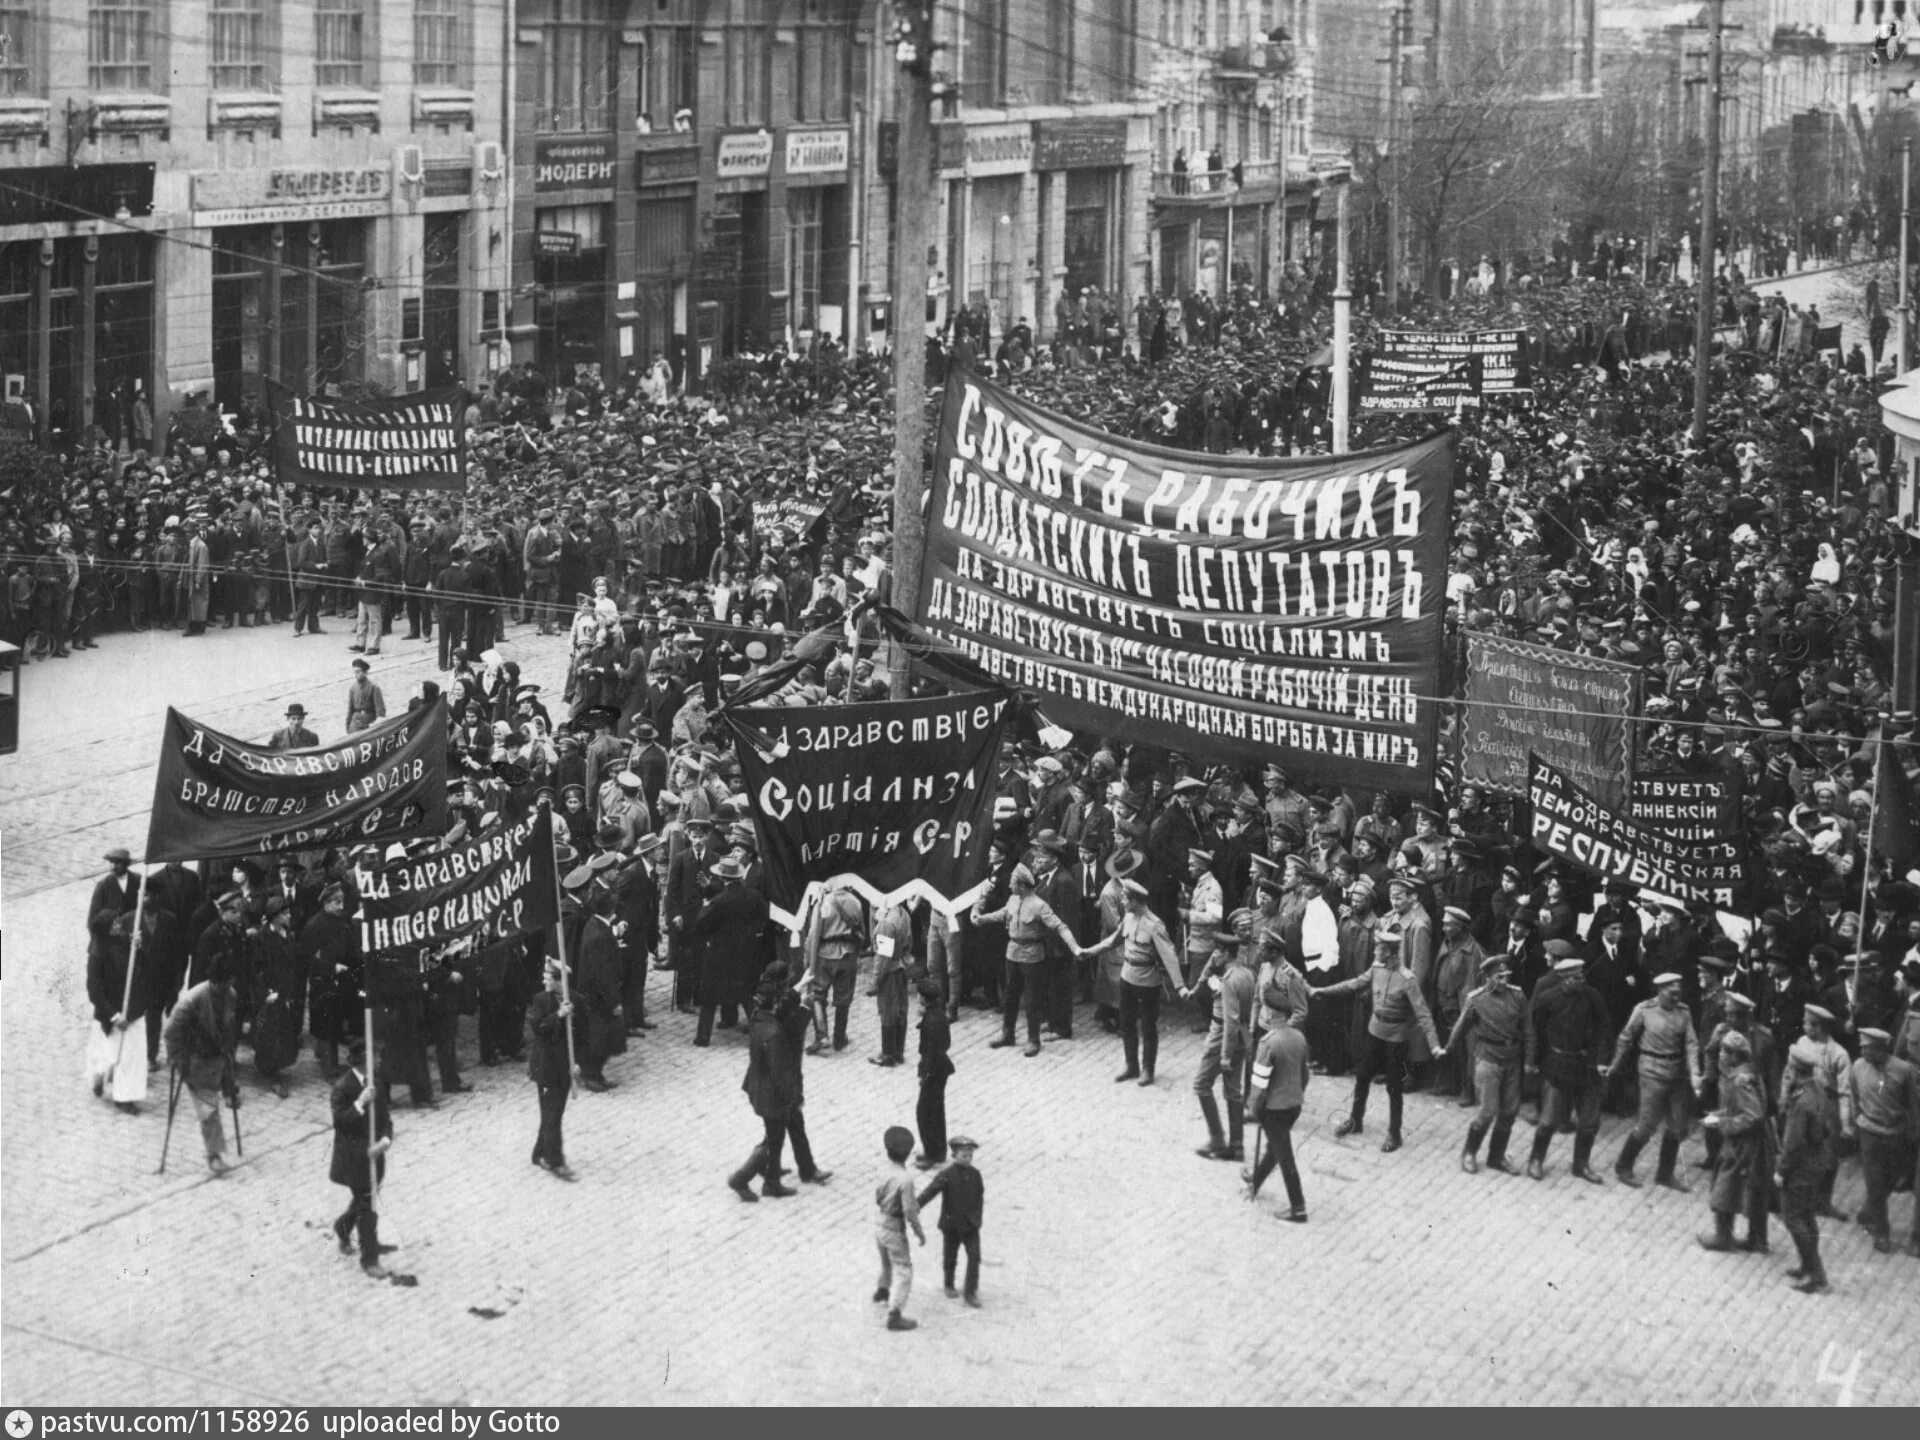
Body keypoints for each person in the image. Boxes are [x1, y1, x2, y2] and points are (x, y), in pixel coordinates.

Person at [1316, 918, 1446, 1153]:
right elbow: (1354, 985)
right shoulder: (1376, 969)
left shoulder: (1407, 979)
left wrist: (1435, 1046)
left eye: (1380, 949)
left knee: (1394, 1087)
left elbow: (1424, 1015)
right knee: (1362, 1077)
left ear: (1390, 953)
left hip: (1396, 1039)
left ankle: (1394, 1134)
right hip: (1375, 1032)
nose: (1376, 952)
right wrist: (1323, 991)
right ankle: (1355, 1121)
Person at [728, 962, 831, 1200]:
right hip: (774, 1094)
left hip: (762, 1088)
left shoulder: (759, 1015)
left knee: (789, 1128)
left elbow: (783, 1004)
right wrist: (794, 1096)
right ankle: (745, 1178)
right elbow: (781, 1072)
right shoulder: (775, 1033)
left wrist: (799, 988)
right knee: (773, 1139)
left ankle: (796, 1170)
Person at [1083, 877, 1189, 1085]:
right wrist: (1089, 952)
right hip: (1127, 978)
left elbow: (1169, 956)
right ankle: (1132, 1066)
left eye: (1125, 899)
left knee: (1149, 1027)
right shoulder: (1129, 918)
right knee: (1126, 1024)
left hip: (1148, 982)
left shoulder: (1154, 925)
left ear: (1135, 901)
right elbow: (1112, 941)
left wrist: (1180, 986)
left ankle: (1148, 1069)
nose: (1122, 902)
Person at [1606, 971, 1703, 1191]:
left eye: (1679, 993)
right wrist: (1616, 1064)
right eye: (1672, 993)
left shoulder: (1684, 1012)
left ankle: (1664, 1174)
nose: (1676, 998)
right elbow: (1626, 1037)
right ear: (1660, 991)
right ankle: (1623, 1165)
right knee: (1646, 1125)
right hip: (1651, 1073)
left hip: (1677, 1075)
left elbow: (1691, 1044)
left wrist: (1695, 1072)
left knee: (1678, 1126)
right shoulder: (1644, 1010)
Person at [970, 863, 1078, 1058]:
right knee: (1010, 997)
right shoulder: (1013, 899)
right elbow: (1002, 914)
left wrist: (1075, 947)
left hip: (1032, 957)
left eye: (1012, 882)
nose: (1009, 885)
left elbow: (1060, 926)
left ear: (1022, 885)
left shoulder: (1039, 905)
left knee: (1032, 1000)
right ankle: (1007, 1033)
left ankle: (1033, 1039)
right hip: (1012, 954)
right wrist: (982, 919)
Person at [1524, 954, 1613, 1183]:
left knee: (1589, 1121)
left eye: (1581, 977)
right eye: (1575, 978)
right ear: (1564, 979)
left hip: (1586, 1066)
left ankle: (1580, 1164)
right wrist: (1540, 1060)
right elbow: (1537, 1029)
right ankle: (1536, 1160)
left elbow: (1605, 1028)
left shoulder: (1593, 997)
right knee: (1549, 1120)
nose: (1580, 981)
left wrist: (1602, 1059)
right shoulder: (1547, 999)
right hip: (1558, 1066)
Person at [1448, 952, 1531, 1175]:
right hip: (1488, 1058)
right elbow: (1461, 1027)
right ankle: (1469, 1152)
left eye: (1506, 976)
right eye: (1499, 977)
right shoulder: (1476, 999)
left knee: (1510, 1111)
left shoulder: (1518, 997)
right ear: (1488, 977)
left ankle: (1496, 1157)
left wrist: (1530, 1060)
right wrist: (1447, 1049)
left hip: (1512, 1058)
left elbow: (1528, 1030)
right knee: (1487, 1111)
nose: (1504, 982)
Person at [1699, 1029, 1775, 1254]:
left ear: (1735, 1056)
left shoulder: (1740, 1080)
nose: (1720, 1055)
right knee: (1756, 1190)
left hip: (1743, 1144)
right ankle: (1758, 1240)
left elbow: (1752, 1115)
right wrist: (1720, 1114)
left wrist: (1721, 1124)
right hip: (1755, 1144)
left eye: (1724, 1051)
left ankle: (1723, 1237)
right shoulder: (1747, 1073)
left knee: (1725, 1185)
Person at [328, 1034, 397, 1279]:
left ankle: (343, 1227)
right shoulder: (343, 1088)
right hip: (355, 1159)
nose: (379, 1060)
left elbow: (386, 1118)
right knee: (367, 1206)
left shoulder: (376, 1081)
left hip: (375, 1154)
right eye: (375, 1056)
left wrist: (386, 1140)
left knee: (364, 1199)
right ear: (362, 1060)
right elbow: (340, 1122)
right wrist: (359, 1103)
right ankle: (370, 1258)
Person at [162, 959, 240, 1175]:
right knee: (209, 1109)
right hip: (195, 1061)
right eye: (219, 985)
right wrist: (180, 1062)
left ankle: (230, 1093)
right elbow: (170, 1033)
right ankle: (213, 1156)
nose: (223, 989)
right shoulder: (191, 1001)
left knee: (229, 1098)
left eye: (227, 984)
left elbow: (230, 1028)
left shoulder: (231, 995)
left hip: (220, 1059)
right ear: (212, 982)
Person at [1847, 1026, 1919, 1253]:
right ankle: (1881, 1232)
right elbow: (1854, 1097)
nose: (1862, 1051)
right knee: (1875, 1185)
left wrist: (1913, 1131)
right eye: (1861, 1047)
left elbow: (1912, 1104)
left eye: (1867, 1048)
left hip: (1896, 1134)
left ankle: (1869, 1212)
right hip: (1870, 1133)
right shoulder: (1858, 1067)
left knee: (1892, 1182)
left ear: (1881, 1049)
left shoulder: (1904, 1070)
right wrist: (1856, 1121)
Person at [1777, 1037, 1839, 1294]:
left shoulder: (1802, 1102)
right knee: (1806, 1216)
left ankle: (1817, 1275)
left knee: (1793, 1217)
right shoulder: (1818, 1089)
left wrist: (1781, 1171)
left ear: (1793, 1069)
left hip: (1803, 1167)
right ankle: (1808, 1266)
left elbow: (1793, 1143)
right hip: (1817, 1162)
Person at [1244, 994, 1311, 1223]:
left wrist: (1255, 1109)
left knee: (1284, 1156)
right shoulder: (1299, 1037)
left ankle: (1298, 1207)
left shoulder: (1268, 1042)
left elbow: (1260, 1085)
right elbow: (1305, 1074)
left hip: (1274, 1110)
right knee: (1276, 1148)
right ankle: (1255, 1182)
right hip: (1294, 1105)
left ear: (1272, 1014)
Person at [1192, 921, 1256, 1162]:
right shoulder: (1246, 974)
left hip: (1222, 1038)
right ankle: (1237, 1146)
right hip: (1242, 1039)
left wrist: (1225, 1055)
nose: (1213, 955)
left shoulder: (1229, 980)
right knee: (1233, 1092)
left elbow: (1230, 1021)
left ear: (1227, 954)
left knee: (1201, 1084)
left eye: (1217, 951)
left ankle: (1217, 1139)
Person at [85, 908, 150, 1112]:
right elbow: (94, 990)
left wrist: (137, 948)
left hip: (133, 1007)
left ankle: (125, 1097)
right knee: (106, 1057)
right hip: (112, 1012)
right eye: (113, 924)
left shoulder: (124, 939)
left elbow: (139, 965)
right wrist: (113, 1015)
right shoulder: (97, 954)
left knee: (132, 1057)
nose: (118, 926)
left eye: (117, 921)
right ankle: (98, 1077)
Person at [917, 1135, 985, 1306]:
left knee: (974, 1257)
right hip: (952, 1225)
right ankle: (949, 1284)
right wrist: (914, 1206)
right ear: (954, 1156)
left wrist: (977, 1219)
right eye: (964, 1155)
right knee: (950, 1256)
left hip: (970, 1225)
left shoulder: (976, 1175)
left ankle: (970, 1292)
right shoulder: (947, 1175)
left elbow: (979, 1197)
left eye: (970, 1156)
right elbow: (930, 1192)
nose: (968, 1159)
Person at [527, 955, 577, 1179]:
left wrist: (579, 1063)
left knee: (553, 1112)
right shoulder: (540, 1000)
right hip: (545, 1067)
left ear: (560, 982)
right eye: (545, 976)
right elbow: (537, 1028)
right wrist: (558, 1015)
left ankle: (539, 1152)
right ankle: (554, 1160)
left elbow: (582, 1036)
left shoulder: (574, 1000)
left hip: (564, 1067)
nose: (545, 980)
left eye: (549, 977)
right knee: (552, 1113)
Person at [873, 1124, 925, 1332]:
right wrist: (919, 1231)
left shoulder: (884, 1171)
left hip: (879, 1221)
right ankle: (895, 1315)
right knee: (904, 1270)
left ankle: (882, 1292)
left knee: (886, 1262)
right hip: (894, 1227)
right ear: (908, 1153)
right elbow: (909, 1211)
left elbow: (878, 1195)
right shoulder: (906, 1180)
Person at [914, 976, 953, 1169]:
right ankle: (937, 1151)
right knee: (935, 1110)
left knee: (926, 1113)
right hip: (939, 1068)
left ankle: (932, 1152)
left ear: (923, 998)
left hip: (934, 1070)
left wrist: (925, 1074)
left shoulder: (932, 1021)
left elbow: (932, 1051)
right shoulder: (936, 1014)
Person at [345, 657, 385, 734]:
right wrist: (348, 727)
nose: (356, 675)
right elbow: (350, 710)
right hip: (355, 723)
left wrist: (377, 727)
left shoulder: (374, 687)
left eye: (358, 672)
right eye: (355, 672)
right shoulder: (352, 689)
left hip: (369, 722)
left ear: (365, 672)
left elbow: (380, 711)